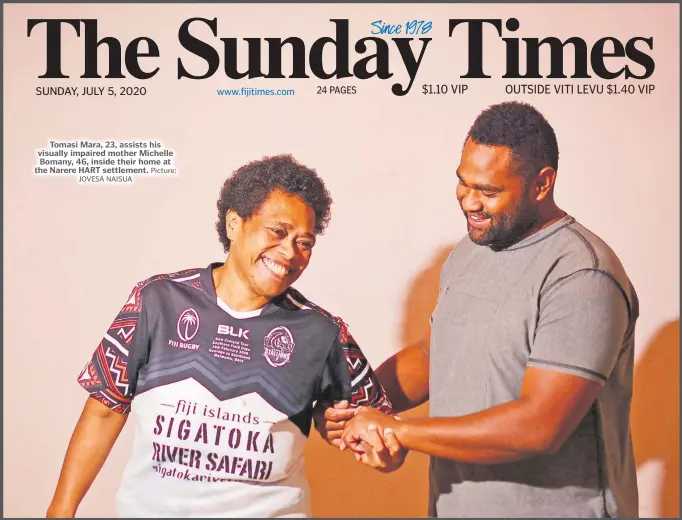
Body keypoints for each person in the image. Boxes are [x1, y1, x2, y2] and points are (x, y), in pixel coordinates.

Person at [316, 101, 640, 518]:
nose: (469, 202)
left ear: (542, 184)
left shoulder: (582, 273)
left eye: (488, 191)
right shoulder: (471, 250)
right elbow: (435, 356)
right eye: (463, 183)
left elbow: (539, 426)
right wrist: (361, 404)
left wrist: (399, 431)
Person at [46, 154, 403, 518]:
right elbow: (104, 411)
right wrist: (61, 510)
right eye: (278, 232)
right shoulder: (157, 302)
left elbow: (380, 434)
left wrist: (372, 445)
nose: (289, 253)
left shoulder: (323, 333)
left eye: (305, 242)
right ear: (234, 223)